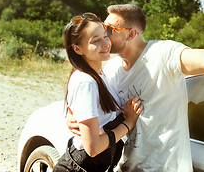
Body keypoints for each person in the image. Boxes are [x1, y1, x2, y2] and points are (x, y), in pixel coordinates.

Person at [67, 0, 204, 171]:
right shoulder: (111, 69)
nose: (104, 34)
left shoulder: (164, 53)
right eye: (102, 26)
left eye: (109, 29)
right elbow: (94, 107)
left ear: (131, 34)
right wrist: (72, 119)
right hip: (126, 166)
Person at [53, 12, 143, 172]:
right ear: (77, 49)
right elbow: (93, 147)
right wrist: (128, 123)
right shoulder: (85, 81)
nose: (105, 43)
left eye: (105, 36)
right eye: (96, 40)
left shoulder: (100, 74)